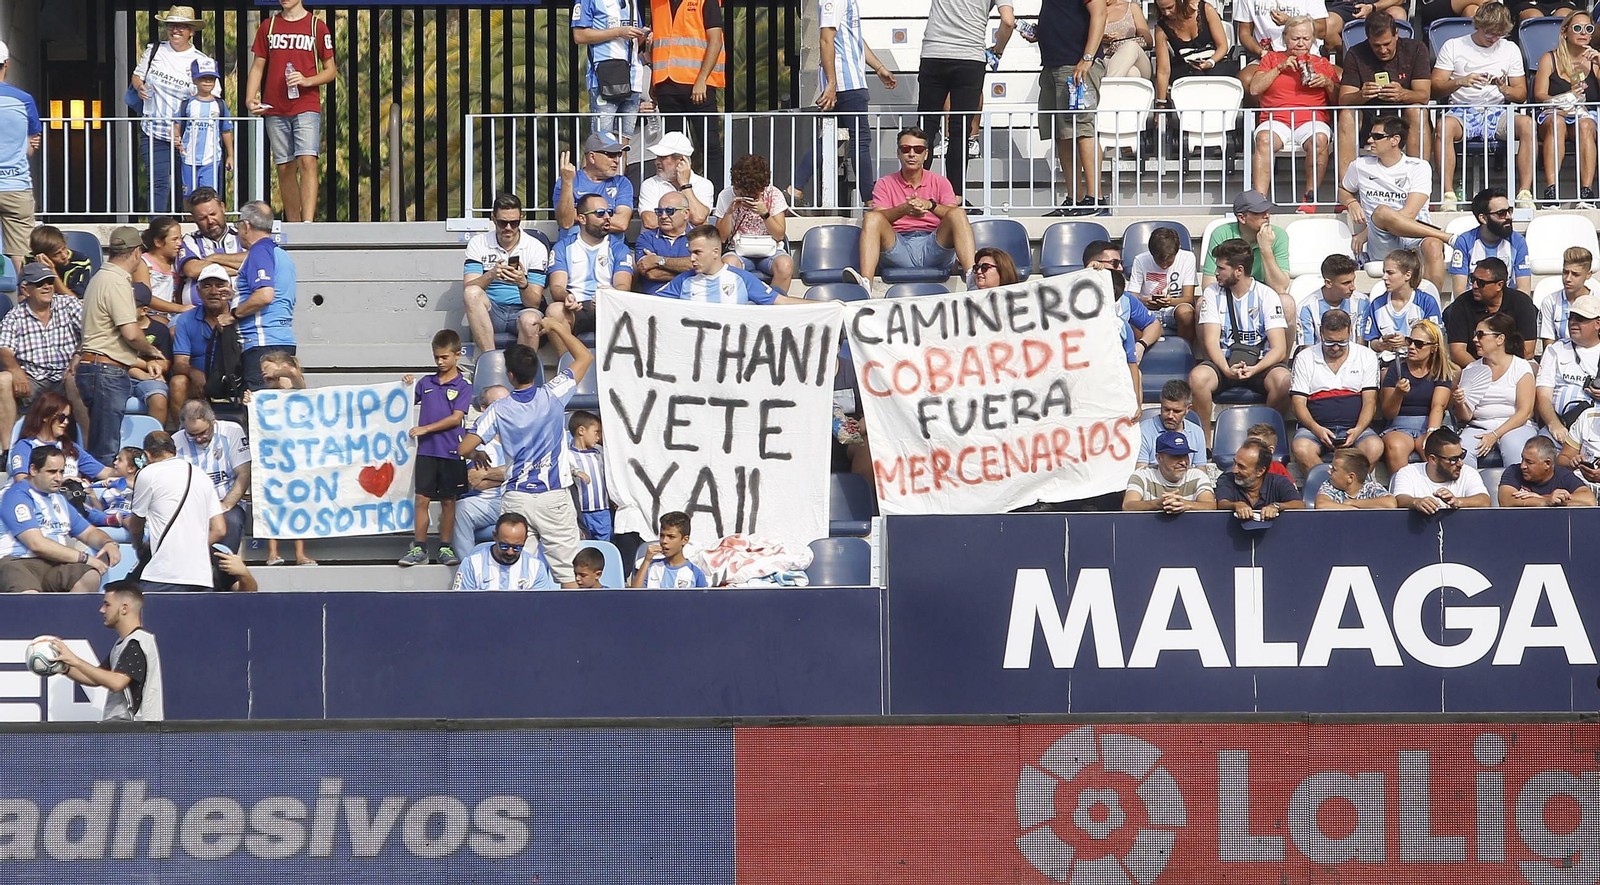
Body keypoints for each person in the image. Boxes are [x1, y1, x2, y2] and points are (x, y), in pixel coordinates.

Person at [459, 333, 591, 588]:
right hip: (553, 496)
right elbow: (585, 356)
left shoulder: (499, 408)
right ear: (537, 370)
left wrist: (475, 453)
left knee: (519, 571)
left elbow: (464, 447)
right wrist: (555, 326)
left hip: (516, 498)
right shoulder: (553, 393)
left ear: (509, 375)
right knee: (568, 575)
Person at [791, 0, 898, 206]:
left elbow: (853, 38)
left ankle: (795, 188)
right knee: (860, 140)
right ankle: (869, 200)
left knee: (831, 139)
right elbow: (825, 40)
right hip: (846, 83)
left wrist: (878, 67)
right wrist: (832, 84)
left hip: (848, 81)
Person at [79, 226, 169, 464]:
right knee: (107, 450)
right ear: (138, 252)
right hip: (106, 371)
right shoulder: (117, 282)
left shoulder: (99, 277)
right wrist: (151, 352)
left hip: (94, 367)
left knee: (101, 443)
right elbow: (131, 333)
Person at [1432, 4, 1536, 211]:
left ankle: (1525, 192)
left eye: (1499, 34)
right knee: (1444, 126)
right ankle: (1448, 194)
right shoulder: (1454, 46)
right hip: (1461, 109)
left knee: (1527, 124)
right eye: (1489, 32)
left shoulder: (1510, 48)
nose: (1494, 38)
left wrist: (1504, 88)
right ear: (1477, 25)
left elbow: (1521, 94)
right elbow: (1434, 88)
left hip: (1497, 111)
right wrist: (1460, 81)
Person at [846, 127, 976, 290]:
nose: (912, 154)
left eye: (918, 149)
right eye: (906, 149)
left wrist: (930, 205)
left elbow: (953, 215)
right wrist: (904, 209)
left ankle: (972, 276)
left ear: (926, 154)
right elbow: (878, 217)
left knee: (958, 213)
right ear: (898, 153)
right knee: (872, 217)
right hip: (898, 245)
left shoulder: (940, 182)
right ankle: (865, 284)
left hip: (934, 245)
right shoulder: (884, 183)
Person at [1190, 239, 1293, 444]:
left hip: (1259, 364)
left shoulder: (1267, 295)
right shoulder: (1212, 293)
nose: (1215, 273)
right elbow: (1211, 341)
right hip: (1224, 362)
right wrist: (1227, 370)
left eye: (1221, 268)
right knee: (1197, 377)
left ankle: (1266, 440)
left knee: (1285, 381)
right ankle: (1204, 442)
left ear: (1239, 270)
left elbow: (1279, 348)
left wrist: (1255, 370)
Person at [244, 0, 338, 223]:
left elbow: (331, 70)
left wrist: (307, 80)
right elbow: (258, 66)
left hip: (306, 105)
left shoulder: (317, 26)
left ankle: (308, 222)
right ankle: (294, 222)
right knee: (285, 166)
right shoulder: (269, 26)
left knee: (307, 159)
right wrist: (250, 98)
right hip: (274, 106)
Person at [1338, 114, 1450, 292]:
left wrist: (1364, 233)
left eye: (1377, 136)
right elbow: (1343, 190)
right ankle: (1447, 237)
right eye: (1370, 135)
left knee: (1434, 246)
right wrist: (1351, 202)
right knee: (1382, 211)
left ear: (1394, 140)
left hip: (1415, 231)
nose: (1370, 140)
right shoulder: (1360, 165)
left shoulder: (1418, 167)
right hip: (1382, 237)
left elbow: (1409, 214)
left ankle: (1431, 303)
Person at [917, 0, 1015, 202]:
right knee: (960, 129)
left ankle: (916, 192)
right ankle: (954, 196)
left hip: (934, 52)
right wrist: (997, 50)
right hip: (970, 57)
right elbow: (1008, 21)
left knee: (926, 126)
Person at [1240, 17, 1339, 212]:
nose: (1301, 43)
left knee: (1319, 139)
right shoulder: (1271, 59)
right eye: (1295, 38)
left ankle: (1310, 198)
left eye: (1305, 38)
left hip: (1312, 120)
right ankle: (1258, 202)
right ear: (1285, 38)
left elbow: (1338, 101)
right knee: (1264, 139)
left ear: (1312, 40)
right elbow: (1254, 89)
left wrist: (1328, 83)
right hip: (1276, 119)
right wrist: (1279, 68)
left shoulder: (1323, 63)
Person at [0, 446, 120, 594]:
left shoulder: (59, 499)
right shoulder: (15, 495)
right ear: (33, 470)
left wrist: (108, 543)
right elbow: (36, 544)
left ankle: (69, 617)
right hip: (18, 562)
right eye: (51, 471)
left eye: (61, 472)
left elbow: (89, 533)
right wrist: (84, 558)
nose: (58, 478)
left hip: (55, 565)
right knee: (29, 595)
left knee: (90, 576)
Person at [399, 330, 473, 568]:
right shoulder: (426, 382)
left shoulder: (463, 385)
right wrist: (404, 386)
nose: (440, 362)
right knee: (421, 498)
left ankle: (444, 546)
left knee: (449, 501)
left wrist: (425, 429)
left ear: (457, 355)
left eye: (444, 357)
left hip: (452, 450)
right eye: (436, 358)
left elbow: (455, 418)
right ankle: (419, 547)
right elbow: (403, 402)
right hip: (426, 452)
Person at [130, 6, 215, 213]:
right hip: (153, 130)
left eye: (181, 26)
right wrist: (139, 86)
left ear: (191, 31)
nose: (175, 30)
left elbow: (212, 95)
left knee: (186, 183)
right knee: (158, 182)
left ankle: (188, 224)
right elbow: (137, 76)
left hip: (186, 133)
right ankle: (157, 227)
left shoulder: (200, 60)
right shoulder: (155, 50)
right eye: (171, 25)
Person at [1027, 0, 1106, 216]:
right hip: (1054, 64)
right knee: (1062, 134)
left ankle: (1095, 199)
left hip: (1075, 65)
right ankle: (1075, 199)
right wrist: (1041, 33)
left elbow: (1099, 13)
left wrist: (1087, 59)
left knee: (1082, 129)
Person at [1336, 12, 1432, 185]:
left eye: (1387, 44)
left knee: (1416, 110)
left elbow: (1423, 95)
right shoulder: (1356, 53)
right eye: (1376, 45)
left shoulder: (1416, 49)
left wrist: (1403, 93)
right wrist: (1361, 95)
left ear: (1397, 34)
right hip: (1369, 119)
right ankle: (1346, 188)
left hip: (1403, 119)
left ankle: (1418, 186)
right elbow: (1344, 99)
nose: (1383, 50)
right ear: (1368, 39)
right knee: (1346, 114)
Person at [128, 430, 227, 593]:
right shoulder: (202, 475)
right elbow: (220, 529)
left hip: (163, 574)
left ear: (147, 454)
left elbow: (136, 525)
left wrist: (139, 548)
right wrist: (193, 548)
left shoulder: (148, 474)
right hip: (200, 577)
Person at [1290, 308, 1384, 472]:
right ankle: (1326, 488)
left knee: (1374, 447)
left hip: (1355, 428)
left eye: (1341, 342)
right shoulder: (1305, 357)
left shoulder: (1366, 356)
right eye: (1329, 342)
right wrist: (1316, 429)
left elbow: (1370, 401)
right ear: (1321, 332)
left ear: (1350, 331)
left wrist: (1358, 430)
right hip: (1314, 428)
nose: (1335, 348)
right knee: (1301, 448)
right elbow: (1298, 403)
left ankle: (1352, 491)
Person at [52, 584, 163, 721]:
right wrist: (63, 666)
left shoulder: (137, 642)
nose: (101, 610)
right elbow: (94, 678)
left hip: (137, 733)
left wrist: (75, 660)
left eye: (107, 605)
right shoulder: (122, 643)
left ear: (124, 608)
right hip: (124, 731)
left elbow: (116, 682)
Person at [0, 263, 83, 446]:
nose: (47, 286)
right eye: (39, 283)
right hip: (32, 379)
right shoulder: (15, 316)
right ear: (25, 289)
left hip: (66, 374)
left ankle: (85, 446)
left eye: (49, 281)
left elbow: (93, 331)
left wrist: (78, 355)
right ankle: (6, 450)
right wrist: (16, 371)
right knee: (4, 379)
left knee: (78, 379)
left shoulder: (67, 305)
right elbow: (4, 350)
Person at [648, 0, 728, 184]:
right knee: (672, 148)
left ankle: (715, 197)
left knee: (710, 144)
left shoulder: (705, 2)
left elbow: (715, 41)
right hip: (666, 85)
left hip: (698, 87)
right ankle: (675, 195)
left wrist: (702, 79)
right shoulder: (657, 3)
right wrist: (654, 81)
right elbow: (659, 42)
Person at [462, 192, 549, 355]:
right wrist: (491, 275)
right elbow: (468, 288)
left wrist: (522, 283)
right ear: (493, 219)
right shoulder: (479, 243)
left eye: (514, 223)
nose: (508, 228)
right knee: (471, 293)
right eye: (502, 223)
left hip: (522, 310)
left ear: (521, 219)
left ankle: (522, 373)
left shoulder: (536, 247)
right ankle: (490, 358)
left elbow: (534, 304)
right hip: (491, 309)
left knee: (530, 320)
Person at [547, 193, 635, 352]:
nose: (607, 217)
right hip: (576, 306)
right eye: (600, 214)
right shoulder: (563, 247)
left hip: (608, 306)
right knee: (554, 311)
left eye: (610, 212)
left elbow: (623, 285)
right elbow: (556, 288)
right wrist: (566, 296)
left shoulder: (619, 248)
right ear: (582, 219)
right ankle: (569, 368)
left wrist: (609, 295)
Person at [1453, 312, 1536, 467]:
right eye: (1475, 334)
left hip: (1515, 426)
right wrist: (1460, 403)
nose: (1474, 340)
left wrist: (1494, 435)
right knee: (1461, 453)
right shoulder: (1471, 369)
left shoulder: (1520, 367)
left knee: (1515, 448)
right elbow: (1465, 416)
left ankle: (1512, 489)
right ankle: (1473, 490)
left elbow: (1524, 412)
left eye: (1480, 335)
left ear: (1500, 339)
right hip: (1479, 425)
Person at [1534, 12, 1600, 206]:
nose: (1584, 33)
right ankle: (1551, 191)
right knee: (1557, 123)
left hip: (1584, 114)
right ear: (1565, 31)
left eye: (1589, 28)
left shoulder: (1595, 60)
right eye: (1577, 28)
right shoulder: (1550, 58)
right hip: (1555, 112)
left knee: (1586, 125)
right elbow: (1539, 94)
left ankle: (1587, 193)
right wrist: (1563, 101)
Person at [172, 400, 253, 557]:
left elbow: (244, 473)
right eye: (192, 434)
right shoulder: (176, 441)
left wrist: (226, 504)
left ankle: (223, 573)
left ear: (213, 421)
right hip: (190, 506)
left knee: (230, 521)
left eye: (203, 432)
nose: (199, 438)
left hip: (226, 501)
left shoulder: (231, 431)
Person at [233, 201, 298, 390]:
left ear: (246, 225)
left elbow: (264, 295)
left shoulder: (259, 251)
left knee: (260, 409)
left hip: (262, 343)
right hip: (284, 340)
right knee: (284, 406)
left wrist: (233, 314)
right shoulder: (282, 254)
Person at [1379, 318, 1456, 475]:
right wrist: (1398, 394)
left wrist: (1432, 432)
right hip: (1398, 424)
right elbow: (1388, 412)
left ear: (1433, 348)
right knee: (1396, 447)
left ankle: (1434, 491)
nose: (1412, 347)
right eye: (1410, 341)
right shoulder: (1397, 367)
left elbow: (1438, 406)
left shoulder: (1440, 371)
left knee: (1433, 449)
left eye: (1419, 344)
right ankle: (1403, 492)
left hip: (1429, 422)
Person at [657, 225, 807, 304]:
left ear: (715, 252)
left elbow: (781, 301)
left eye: (697, 252)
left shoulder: (742, 278)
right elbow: (648, 303)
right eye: (690, 252)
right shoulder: (683, 281)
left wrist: (827, 307)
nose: (692, 258)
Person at [714, 153, 796, 292]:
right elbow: (721, 238)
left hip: (770, 251)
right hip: (738, 250)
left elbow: (779, 235)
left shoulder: (773, 194)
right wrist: (729, 213)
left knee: (785, 265)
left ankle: (774, 304)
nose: (750, 196)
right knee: (728, 266)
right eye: (744, 192)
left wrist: (765, 213)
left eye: (755, 192)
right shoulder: (726, 195)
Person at [572, 0, 649, 144]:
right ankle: (586, 167)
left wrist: (645, 34)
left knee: (623, 142)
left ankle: (621, 168)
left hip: (633, 78)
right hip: (604, 78)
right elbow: (579, 36)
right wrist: (618, 32)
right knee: (601, 142)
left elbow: (635, 36)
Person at [1443, 256, 1539, 367]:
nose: (1474, 286)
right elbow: (1458, 351)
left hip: (1514, 366)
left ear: (1499, 285)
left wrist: (1500, 370)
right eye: (1473, 279)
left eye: (1481, 283)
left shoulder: (1521, 303)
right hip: (1473, 367)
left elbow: (1528, 350)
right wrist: (1483, 371)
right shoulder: (1462, 304)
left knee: (1533, 368)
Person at [451, 385, 509, 558]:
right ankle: (467, 566)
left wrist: (487, 472)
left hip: (516, 499)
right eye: (499, 403)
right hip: (486, 503)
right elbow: (475, 481)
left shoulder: (520, 435)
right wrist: (508, 475)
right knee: (460, 509)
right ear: (484, 408)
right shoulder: (475, 442)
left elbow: (526, 472)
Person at [1535, 294, 1600, 447]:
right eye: (1571, 317)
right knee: (1538, 451)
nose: (1573, 323)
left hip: (1594, 430)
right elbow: (1543, 396)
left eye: (1581, 319)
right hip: (1559, 426)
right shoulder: (1555, 349)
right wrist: (1553, 424)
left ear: (1598, 323)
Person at [1201, 191, 1292, 300]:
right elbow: (1209, 285)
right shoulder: (1221, 233)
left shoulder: (1278, 236)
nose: (1267, 215)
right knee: (1202, 302)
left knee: (1286, 301)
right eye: (1259, 212)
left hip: (1264, 296)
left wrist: (1265, 249)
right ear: (1242, 218)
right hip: (1229, 293)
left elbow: (1280, 288)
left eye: (1267, 210)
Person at [170, 264, 237, 410]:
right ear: (198, 292)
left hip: (234, 379)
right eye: (207, 286)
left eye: (219, 286)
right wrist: (193, 373)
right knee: (178, 382)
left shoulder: (240, 314)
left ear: (230, 289)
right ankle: (181, 432)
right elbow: (180, 363)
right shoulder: (185, 319)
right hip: (200, 383)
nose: (214, 291)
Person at [0, 40, 41, 278]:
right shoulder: (23, 99)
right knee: (22, 255)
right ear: (7, 64)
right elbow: (30, 148)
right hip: (16, 185)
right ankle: (28, 303)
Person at [9, 393, 111, 484]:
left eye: (68, 418)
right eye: (61, 418)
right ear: (45, 416)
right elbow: (21, 480)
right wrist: (61, 482)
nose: (66, 422)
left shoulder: (70, 447)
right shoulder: (26, 446)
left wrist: (125, 469)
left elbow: (103, 472)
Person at [1153, 0, 1238, 109]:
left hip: (1215, 60)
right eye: (1162, 9)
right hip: (1185, 66)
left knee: (1216, 75)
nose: (1166, 13)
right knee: (1194, 78)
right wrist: (1161, 103)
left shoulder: (1206, 10)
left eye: (1170, 7)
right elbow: (1163, 71)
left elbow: (1222, 46)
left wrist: (1210, 62)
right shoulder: (1161, 27)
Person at [1448, 189, 1533, 297]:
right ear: (1483, 218)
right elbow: (1459, 292)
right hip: (1473, 306)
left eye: (1509, 210)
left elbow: (1524, 290)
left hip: (1507, 308)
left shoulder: (1517, 241)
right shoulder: (1464, 242)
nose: (1508, 217)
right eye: (1501, 213)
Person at [171, 59, 234, 203]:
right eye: (203, 78)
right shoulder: (187, 103)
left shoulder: (219, 104)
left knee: (209, 196)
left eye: (211, 79)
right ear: (194, 80)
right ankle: (190, 222)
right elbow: (177, 124)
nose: (207, 82)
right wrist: (176, 138)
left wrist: (230, 155)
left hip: (211, 158)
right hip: (188, 157)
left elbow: (226, 130)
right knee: (188, 197)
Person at [1364, 248, 1442, 363]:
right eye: (1384, 272)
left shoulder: (1426, 302)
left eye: (1390, 273)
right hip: (1388, 362)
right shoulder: (1377, 304)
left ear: (1407, 275)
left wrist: (1407, 341)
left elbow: (1436, 338)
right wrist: (1382, 343)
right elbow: (1372, 342)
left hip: (1422, 362)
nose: (1384, 277)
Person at [1392, 427, 1492, 511]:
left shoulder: (1468, 472)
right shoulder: (1409, 473)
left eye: (1462, 456)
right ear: (1433, 459)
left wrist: (1457, 501)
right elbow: (1400, 499)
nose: (1460, 463)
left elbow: (1484, 501)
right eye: (1453, 459)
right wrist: (1416, 502)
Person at [176, 187, 245, 308]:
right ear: (194, 219)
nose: (210, 221)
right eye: (202, 218)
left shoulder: (242, 235)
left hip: (240, 309)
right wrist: (240, 269)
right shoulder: (190, 240)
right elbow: (192, 269)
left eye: (213, 214)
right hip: (196, 313)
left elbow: (254, 260)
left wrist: (213, 258)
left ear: (223, 208)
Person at [452, 513, 559, 591]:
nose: (510, 552)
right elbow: (461, 604)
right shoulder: (472, 564)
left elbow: (539, 608)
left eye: (517, 547)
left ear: (525, 540)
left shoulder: (535, 567)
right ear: (495, 536)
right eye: (504, 546)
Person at [1126, 226, 1198, 341]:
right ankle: (1142, 352)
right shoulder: (1140, 260)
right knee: (1132, 314)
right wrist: (1144, 301)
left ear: (1177, 250)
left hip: (1174, 309)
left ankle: (1184, 351)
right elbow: (1131, 298)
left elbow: (1188, 298)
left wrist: (1170, 302)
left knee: (1186, 312)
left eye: (1169, 261)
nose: (1164, 265)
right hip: (1147, 311)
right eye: (1159, 261)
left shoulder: (1187, 258)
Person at [554, 132, 635, 234]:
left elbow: (621, 223)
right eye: (611, 155)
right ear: (592, 157)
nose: (617, 160)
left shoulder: (622, 183)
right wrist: (567, 183)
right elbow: (566, 222)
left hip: (611, 248)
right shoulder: (567, 180)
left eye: (618, 155)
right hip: (573, 246)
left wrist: (580, 215)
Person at [1123, 430, 1216, 512]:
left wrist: (1185, 504)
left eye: (1185, 455)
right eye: (1176, 456)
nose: (1183, 462)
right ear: (1159, 458)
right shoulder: (1142, 475)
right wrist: (1157, 504)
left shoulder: (1198, 476)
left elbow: (1211, 505)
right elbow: (1127, 505)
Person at [1215, 439, 1305, 521]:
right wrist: (1236, 505)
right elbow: (1222, 504)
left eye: (1241, 467)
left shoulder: (1280, 482)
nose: (1234, 470)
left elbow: (1299, 505)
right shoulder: (1227, 479)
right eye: (1235, 463)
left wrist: (1277, 506)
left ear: (1260, 471)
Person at [637, 132, 713, 228]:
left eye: (662, 157)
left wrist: (685, 185)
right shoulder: (650, 184)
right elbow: (650, 222)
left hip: (690, 242)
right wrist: (685, 221)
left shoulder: (703, 184)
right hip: (657, 242)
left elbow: (698, 218)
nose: (656, 162)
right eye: (657, 157)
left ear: (681, 161)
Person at [1499, 435, 1596, 505]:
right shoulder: (1514, 472)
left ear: (1547, 464)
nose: (1522, 466)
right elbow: (1506, 501)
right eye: (1522, 459)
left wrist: (1545, 498)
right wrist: (1545, 501)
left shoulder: (1563, 476)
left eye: (1529, 462)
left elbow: (1589, 500)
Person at [1297, 254, 1368, 350]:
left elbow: (1362, 346)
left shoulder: (1362, 302)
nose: (1353, 287)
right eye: (1346, 283)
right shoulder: (1306, 307)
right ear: (1328, 283)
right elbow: (1308, 350)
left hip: (1354, 360)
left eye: (1353, 281)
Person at [128, 286, 173, 426]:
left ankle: (156, 443)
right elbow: (115, 358)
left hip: (151, 378)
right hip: (120, 375)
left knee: (159, 398)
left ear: (144, 310)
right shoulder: (115, 328)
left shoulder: (159, 330)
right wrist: (146, 366)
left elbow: (165, 363)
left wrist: (155, 370)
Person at [634, 190, 695, 295]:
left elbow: (701, 267)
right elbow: (652, 274)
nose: (663, 216)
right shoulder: (646, 238)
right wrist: (692, 275)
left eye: (670, 211)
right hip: (656, 300)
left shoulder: (699, 237)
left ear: (685, 213)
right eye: (659, 211)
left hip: (690, 298)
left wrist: (658, 260)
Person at [1538, 246, 1600, 345]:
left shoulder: (1598, 301)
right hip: (1560, 358)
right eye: (1565, 272)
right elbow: (1548, 346)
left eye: (1575, 274)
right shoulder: (1550, 302)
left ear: (1588, 274)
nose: (1568, 279)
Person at [1137, 379, 1207, 466]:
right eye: (1166, 409)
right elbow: (1140, 472)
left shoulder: (1197, 432)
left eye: (1176, 411)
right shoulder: (1143, 431)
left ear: (1188, 409)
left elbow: (1200, 472)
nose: (1170, 416)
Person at [631, 510, 709, 588]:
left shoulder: (695, 573)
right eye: (662, 536)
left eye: (671, 537)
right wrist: (647, 560)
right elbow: (635, 595)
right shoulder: (651, 567)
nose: (664, 541)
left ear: (685, 540)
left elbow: (703, 599)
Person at [567, 411, 612, 540]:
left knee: (603, 546)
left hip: (602, 510)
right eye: (596, 432)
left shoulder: (600, 453)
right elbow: (561, 469)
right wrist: (575, 472)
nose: (598, 437)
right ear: (581, 430)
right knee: (583, 546)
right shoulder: (568, 455)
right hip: (580, 512)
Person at [1313, 448, 1398, 508]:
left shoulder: (1370, 488)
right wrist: (1353, 510)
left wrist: (1352, 503)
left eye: (1334, 470)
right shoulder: (1329, 485)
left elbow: (1390, 503)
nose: (1329, 471)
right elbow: (1322, 504)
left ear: (1350, 477)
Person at [26, 225, 94, 299]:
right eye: (57, 254)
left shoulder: (81, 262)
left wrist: (52, 270)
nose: (64, 256)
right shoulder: (30, 261)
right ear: (44, 257)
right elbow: (25, 297)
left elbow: (74, 300)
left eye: (64, 248)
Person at [86, 447, 143, 529]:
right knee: (85, 510)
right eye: (116, 459)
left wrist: (122, 481)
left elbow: (142, 489)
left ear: (131, 469)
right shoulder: (110, 489)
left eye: (120, 460)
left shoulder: (140, 486)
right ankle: (109, 520)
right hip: (107, 516)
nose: (115, 462)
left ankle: (143, 540)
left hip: (128, 517)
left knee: (129, 519)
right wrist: (91, 493)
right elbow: (101, 509)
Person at [140, 217, 188, 316]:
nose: (180, 243)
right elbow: (145, 296)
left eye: (180, 238)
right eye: (174, 239)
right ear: (158, 242)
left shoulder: (175, 263)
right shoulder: (143, 263)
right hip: (149, 315)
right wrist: (179, 308)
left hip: (171, 316)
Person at [1103, 0, 1154, 78]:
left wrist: (1122, 40)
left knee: (1130, 45)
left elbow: (1148, 42)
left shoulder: (1132, 7)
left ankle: (1109, 84)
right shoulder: (1092, 11)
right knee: (1132, 73)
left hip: (1136, 61)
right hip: (1105, 61)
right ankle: (1111, 85)